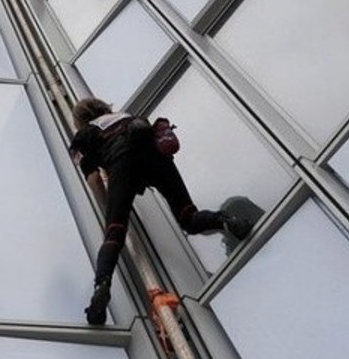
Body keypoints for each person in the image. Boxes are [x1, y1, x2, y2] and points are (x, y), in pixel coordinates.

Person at [70, 97, 256, 325]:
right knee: (188, 217)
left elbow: (94, 180)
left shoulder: (82, 136)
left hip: (121, 163)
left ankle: (102, 285)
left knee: (114, 234)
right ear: (104, 107)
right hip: (157, 159)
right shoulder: (129, 117)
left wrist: (109, 209)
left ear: (79, 120)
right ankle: (225, 220)